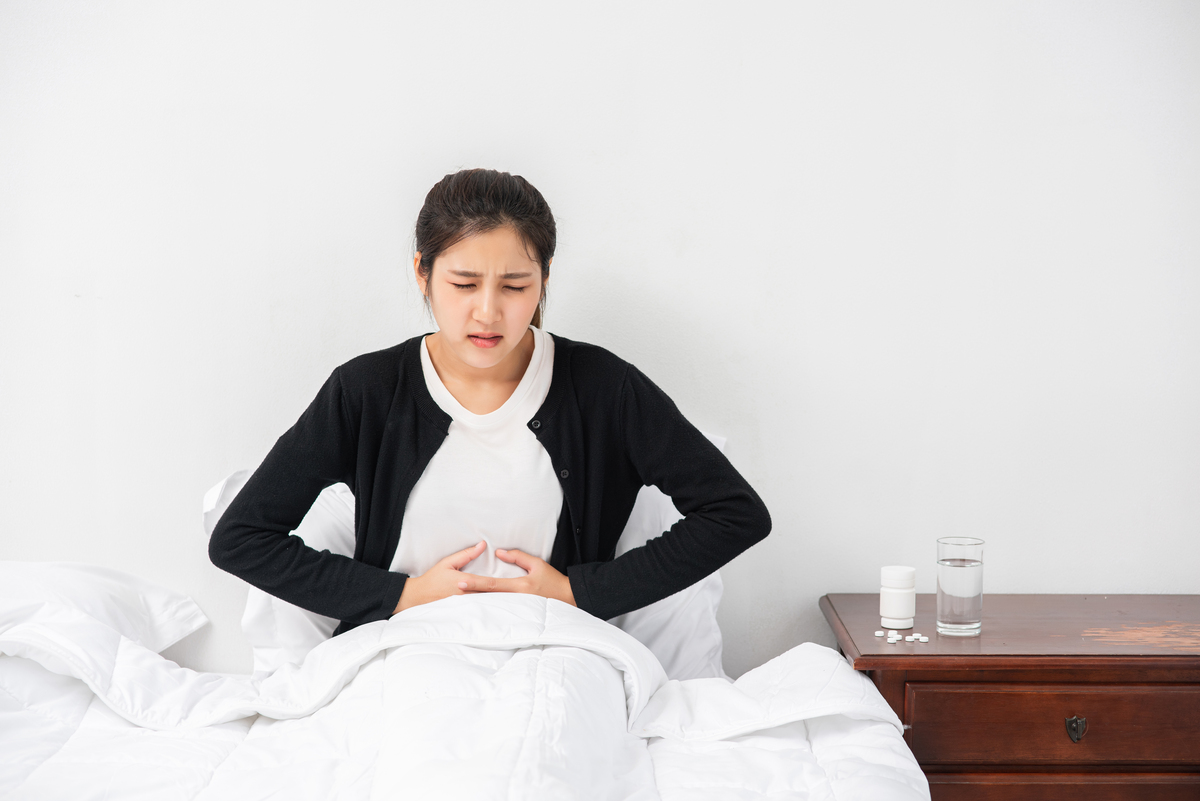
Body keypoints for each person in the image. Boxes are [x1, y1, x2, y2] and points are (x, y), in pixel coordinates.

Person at [209, 168, 771, 636]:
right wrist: (398, 595)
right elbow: (241, 539)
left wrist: (581, 592)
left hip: (557, 655)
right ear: (422, 274)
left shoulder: (602, 387)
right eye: (463, 283)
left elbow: (735, 514)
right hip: (396, 659)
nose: (486, 311)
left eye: (514, 285)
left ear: (545, 280)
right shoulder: (365, 392)